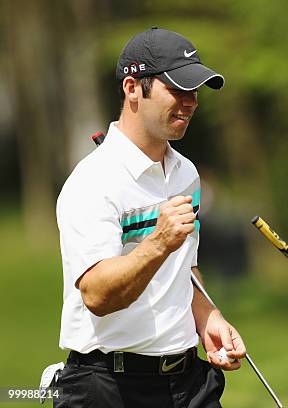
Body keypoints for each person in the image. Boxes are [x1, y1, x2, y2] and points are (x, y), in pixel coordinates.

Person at [54, 27, 246, 408]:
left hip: (189, 382)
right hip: (108, 385)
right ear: (132, 88)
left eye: (195, 91)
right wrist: (158, 242)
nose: (191, 102)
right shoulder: (92, 182)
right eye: (177, 89)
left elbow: (183, 268)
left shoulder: (185, 174)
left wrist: (207, 317)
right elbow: (96, 294)